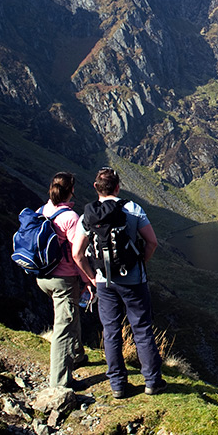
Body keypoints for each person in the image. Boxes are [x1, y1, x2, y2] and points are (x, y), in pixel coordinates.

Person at [72, 167, 166, 398]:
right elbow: (152, 242)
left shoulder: (88, 216)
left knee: (111, 330)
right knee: (141, 328)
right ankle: (152, 382)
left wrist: (92, 277)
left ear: (96, 187)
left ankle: (117, 385)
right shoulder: (132, 209)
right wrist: (141, 261)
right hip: (133, 279)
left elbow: (77, 253)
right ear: (118, 187)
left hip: (104, 281)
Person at [36, 171, 93, 390]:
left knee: (70, 314)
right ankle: (59, 382)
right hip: (63, 279)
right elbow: (77, 254)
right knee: (63, 327)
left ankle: (77, 355)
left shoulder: (43, 210)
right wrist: (87, 278)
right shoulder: (71, 218)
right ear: (71, 191)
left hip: (43, 277)